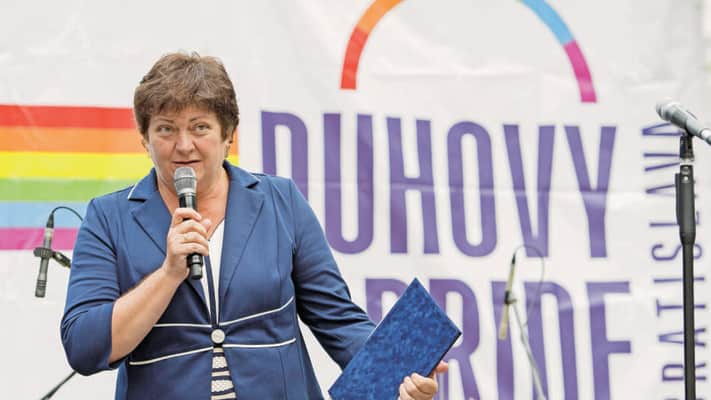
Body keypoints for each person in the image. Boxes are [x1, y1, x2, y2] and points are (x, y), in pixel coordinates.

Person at [61, 51, 447, 399]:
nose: (183, 145)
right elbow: (84, 348)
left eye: (200, 127)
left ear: (228, 134)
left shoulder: (281, 201)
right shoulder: (109, 217)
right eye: (166, 129)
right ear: (144, 139)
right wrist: (168, 274)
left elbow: (338, 319)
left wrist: (401, 375)